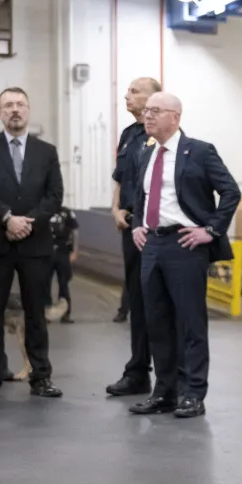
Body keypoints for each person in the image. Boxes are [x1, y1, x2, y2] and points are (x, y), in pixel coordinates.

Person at [129, 91, 240, 419]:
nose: (147, 116)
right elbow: (141, 194)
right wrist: (137, 223)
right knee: (157, 323)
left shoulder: (200, 152)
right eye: (146, 111)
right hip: (152, 246)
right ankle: (164, 392)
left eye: (155, 111)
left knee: (190, 323)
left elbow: (231, 191)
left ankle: (193, 393)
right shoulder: (145, 151)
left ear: (175, 117)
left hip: (185, 245)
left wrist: (211, 229)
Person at [0, 87, 65, 401]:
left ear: (28, 110)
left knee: (36, 312)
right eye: (8, 105)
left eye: (20, 104)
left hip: (35, 243)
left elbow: (54, 196)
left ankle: (41, 376)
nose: (15, 110)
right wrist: (7, 218)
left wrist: (27, 222)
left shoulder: (46, 151)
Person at [107, 77, 161, 396]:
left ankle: (172, 376)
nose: (127, 96)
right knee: (137, 301)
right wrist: (115, 210)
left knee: (160, 302)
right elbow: (119, 178)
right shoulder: (128, 135)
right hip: (130, 228)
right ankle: (138, 370)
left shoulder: (161, 134)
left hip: (156, 230)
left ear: (155, 97)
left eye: (134, 91)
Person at [49, 205, 79, 323]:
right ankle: (47, 313)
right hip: (47, 251)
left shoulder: (67, 212)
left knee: (63, 284)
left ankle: (65, 313)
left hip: (63, 252)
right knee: (45, 284)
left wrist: (75, 251)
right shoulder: (43, 209)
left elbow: (75, 231)